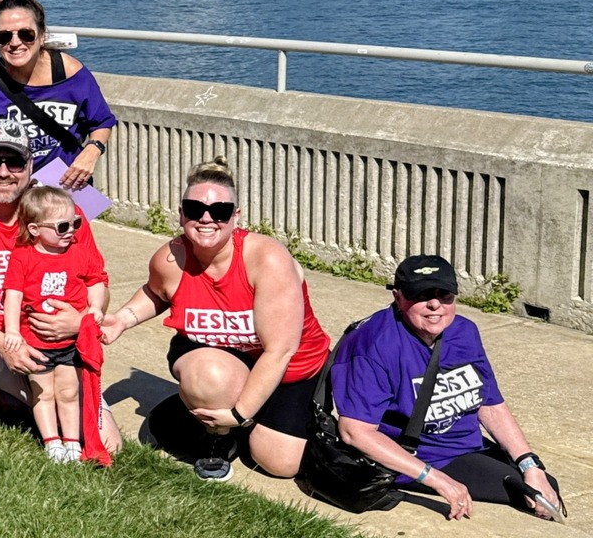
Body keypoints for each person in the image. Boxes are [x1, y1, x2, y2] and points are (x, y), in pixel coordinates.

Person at [99, 160, 329, 481]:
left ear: (235, 216)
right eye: (195, 209)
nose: (206, 219)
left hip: (289, 368)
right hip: (221, 356)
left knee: (279, 462)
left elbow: (279, 352)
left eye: (219, 211)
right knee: (209, 376)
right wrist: (122, 319)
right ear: (182, 213)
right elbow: (156, 292)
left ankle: (192, 414)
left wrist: (239, 413)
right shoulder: (171, 257)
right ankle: (215, 436)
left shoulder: (267, 259)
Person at [0, 118, 122, 453]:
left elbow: (97, 281)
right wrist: (5, 344)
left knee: (107, 443)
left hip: (52, 345)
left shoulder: (66, 215)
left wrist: (83, 320)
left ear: (30, 165)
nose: (3, 172)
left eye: (14, 161)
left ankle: (9, 397)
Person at [330, 255, 563, 521]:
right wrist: (437, 480)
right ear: (398, 297)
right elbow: (354, 433)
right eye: (421, 296)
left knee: (542, 484)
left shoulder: (464, 332)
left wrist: (529, 462)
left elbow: (489, 403)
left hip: (465, 445)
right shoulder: (373, 346)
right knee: (532, 498)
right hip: (417, 456)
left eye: (445, 296)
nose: (435, 305)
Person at [0, 0, 115, 194]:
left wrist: (92, 151)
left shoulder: (70, 72)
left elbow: (102, 121)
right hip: (9, 197)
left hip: (65, 193)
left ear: (42, 35)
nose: (15, 43)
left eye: (25, 34)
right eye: (4, 36)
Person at [1, 185, 108, 464]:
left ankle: (72, 440)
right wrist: (12, 331)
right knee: (43, 392)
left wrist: (94, 307)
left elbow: (95, 280)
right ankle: (52, 441)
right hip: (35, 342)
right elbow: (13, 296)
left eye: (75, 223)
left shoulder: (79, 252)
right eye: (62, 226)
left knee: (69, 390)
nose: (71, 231)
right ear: (35, 229)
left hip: (69, 343)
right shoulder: (23, 256)